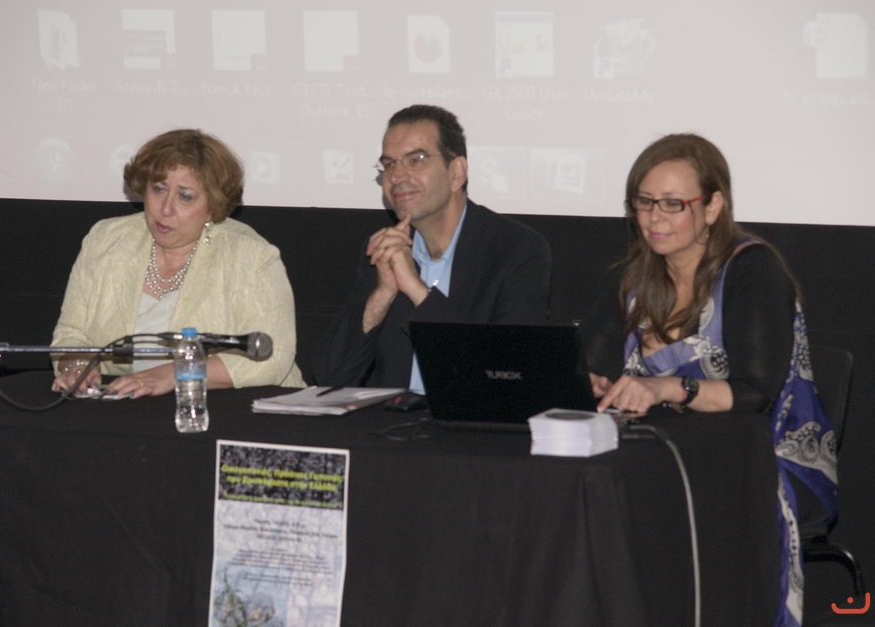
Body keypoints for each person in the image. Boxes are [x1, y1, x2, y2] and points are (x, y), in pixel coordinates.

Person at [579, 133, 837, 626]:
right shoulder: (631, 279)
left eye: (673, 204)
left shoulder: (752, 270)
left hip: (760, 457)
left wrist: (665, 387)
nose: (654, 218)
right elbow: (589, 365)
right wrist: (592, 385)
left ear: (713, 206)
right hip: (661, 454)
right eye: (644, 202)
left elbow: (756, 394)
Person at [312, 104, 552, 390]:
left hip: (472, 417)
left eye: (416, 160)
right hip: (391, 416)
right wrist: (381, 297)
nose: (397, 176)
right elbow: (329, 378)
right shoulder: (384, 248)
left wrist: (416, 290)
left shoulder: (515, 250)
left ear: (456, 173)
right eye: (389, 164)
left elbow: (505, 373)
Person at [51, 129, 304, 397]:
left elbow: (271, 356)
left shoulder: (250, 256)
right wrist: (77, 366)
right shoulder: (106, 240)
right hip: (126, 406)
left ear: (212, 206)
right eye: (158, 189)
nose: (165, 208)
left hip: (235, 408)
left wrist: (173, 373)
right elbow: (72, 334)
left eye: (185, 196)